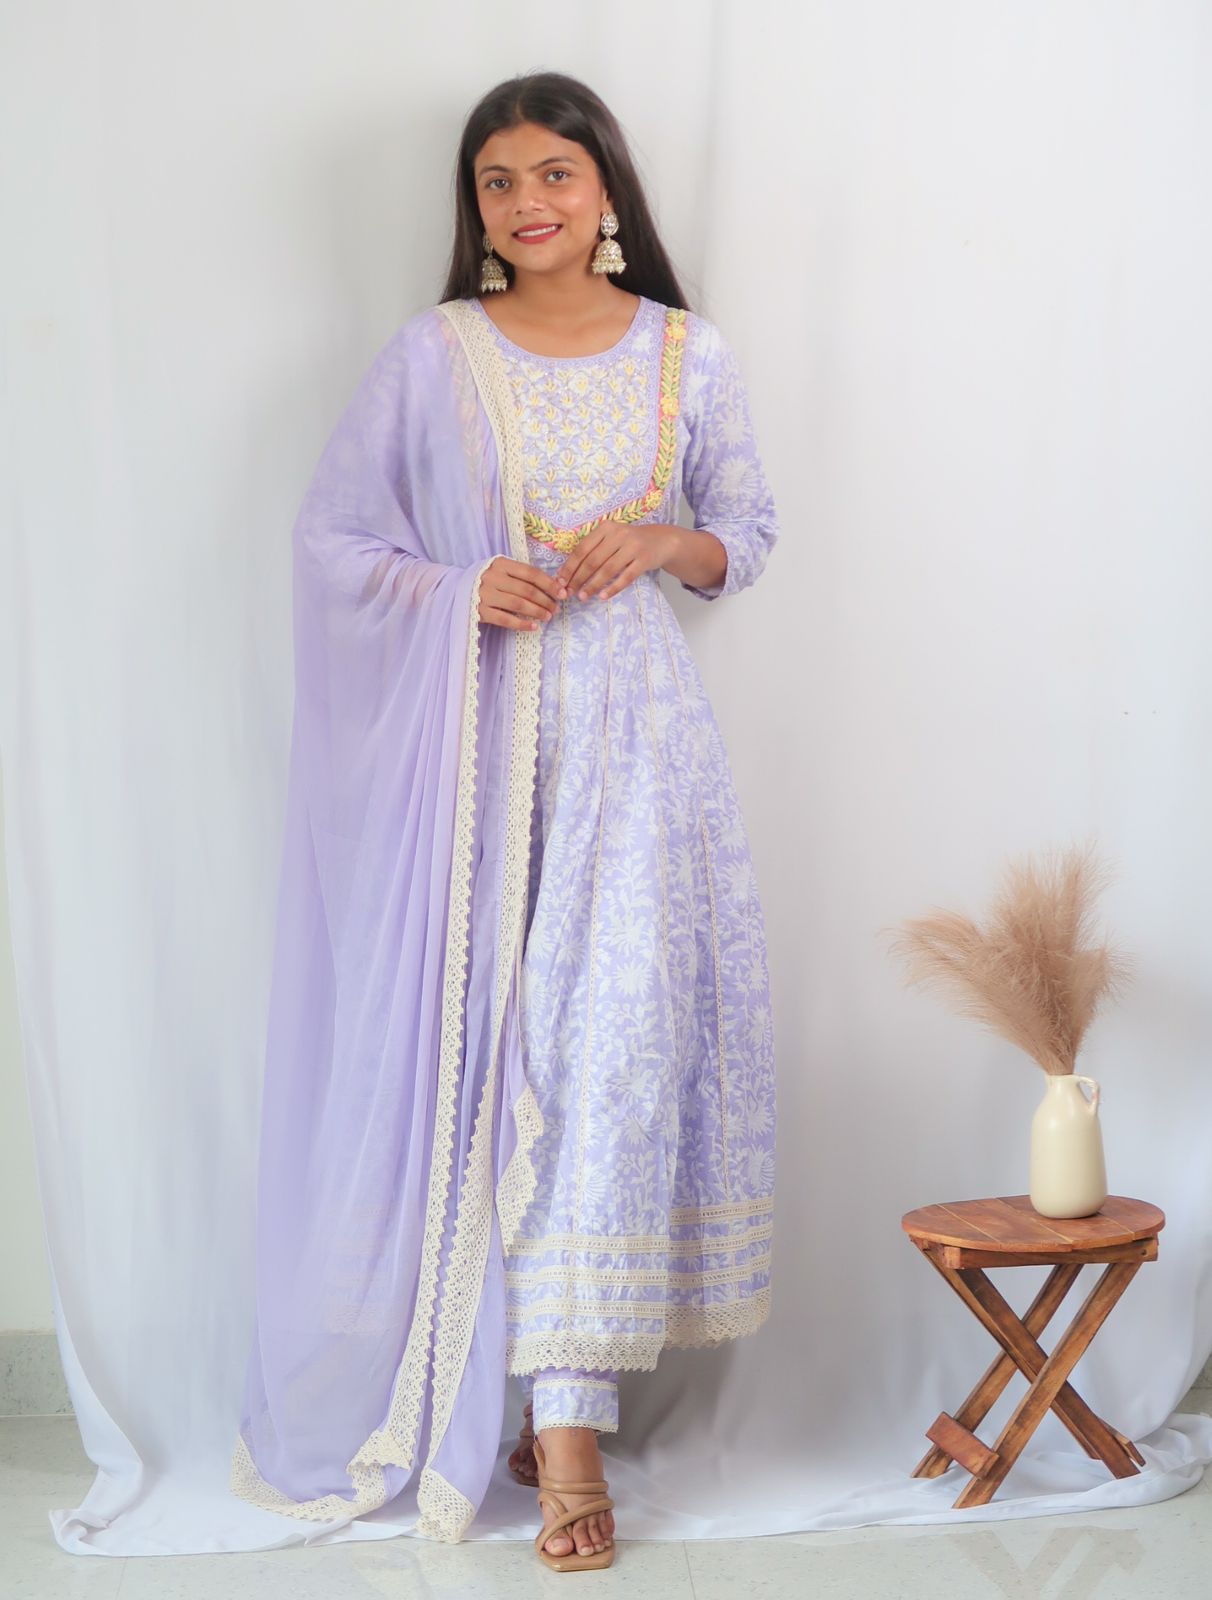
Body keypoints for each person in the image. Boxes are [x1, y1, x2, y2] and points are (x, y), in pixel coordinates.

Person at [229, 70, 778, 1572]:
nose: (528, 203)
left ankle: (573, 1417)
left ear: (607, 192)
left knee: (610, 1060)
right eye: (498, 181)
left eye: (554, 173)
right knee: (496, 1063)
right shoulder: (436, 354)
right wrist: (463, 587)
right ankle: (510, 1399)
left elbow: (748, 534)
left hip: (642, 754)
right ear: (475, 207)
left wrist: (664, 540)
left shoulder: (688, 354)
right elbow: (334, 541)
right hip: (477, 753)